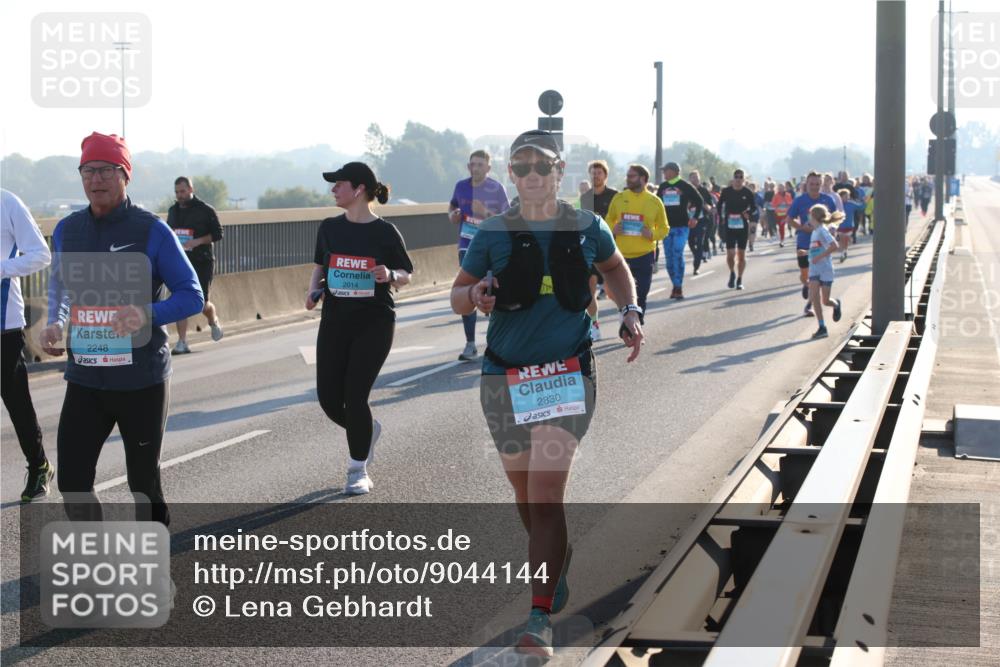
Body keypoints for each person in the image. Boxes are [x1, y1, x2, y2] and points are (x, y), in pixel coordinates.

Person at [450, 130, 644, 658]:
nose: (532, 175)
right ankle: (555, 558)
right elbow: (458, 296)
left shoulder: (588, 227)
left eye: (542, 166)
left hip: (566, 374)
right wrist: (475, 293)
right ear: (511, 174)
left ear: (560, 171)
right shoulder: (493, 232)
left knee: (545, 492)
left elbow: (614, 268)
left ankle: (539, 619)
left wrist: (630, 310)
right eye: (522, 167)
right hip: (504, 377)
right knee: (525, 494)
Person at [39, 132, 204, 526]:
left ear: (125, 175)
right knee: (73, 482)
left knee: (143, 484)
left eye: (106, 170)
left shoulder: (152, 230)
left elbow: (192, 296)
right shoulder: (67, 230)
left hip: (141, 381)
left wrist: (146, 314)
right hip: (86, 378)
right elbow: (61, 285)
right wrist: (55, 321)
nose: (96, 179)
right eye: (88, 170)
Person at [308, 162, 413, 496]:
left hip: (374, 321)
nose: (333, 190)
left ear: (359, 189)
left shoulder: (385, 232)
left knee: (355, 396)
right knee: (328, 399)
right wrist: (312, 291)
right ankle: (367, 429)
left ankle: (357, 470)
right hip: (335, 320)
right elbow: (320, 266)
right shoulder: (329, 227)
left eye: (339, 184)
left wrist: (391, 275)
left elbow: (406, 273)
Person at [2, 189, 54, 501]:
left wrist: (2, 268)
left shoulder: (7, 203)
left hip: (4, 322)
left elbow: (41, 254)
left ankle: (39, 465)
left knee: (16, 400)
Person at [448, 150, 510, 361]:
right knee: (468, 290)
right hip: (466, 245)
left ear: (488, 168)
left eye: (480, 165)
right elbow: (452, 206)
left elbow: (508, 219)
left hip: (491, 247)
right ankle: (470, 344)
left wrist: (486, 213)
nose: (475, 168)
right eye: (472, 165)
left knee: (492, 292)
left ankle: (498, 341)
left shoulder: (497, 189)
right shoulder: (460, 186)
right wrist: (453, 215)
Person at [166, 176, 224, 354]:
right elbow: (169, 233)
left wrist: (197, 241)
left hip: (202, 261)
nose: (179, 195)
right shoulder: (173, 211)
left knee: (201, 303)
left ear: (191, 190)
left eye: (183, 191)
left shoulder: (205, 210)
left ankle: (213, 320)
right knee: (180, 299)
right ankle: (182, 342)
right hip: (181, 262)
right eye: (177, 192)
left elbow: (218, 234)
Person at [606, 164, 669, 312]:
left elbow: (664, 228)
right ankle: (627, 318)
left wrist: (652, 235)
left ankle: (637, 321)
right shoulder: (619, 198)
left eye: (632, 176)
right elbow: (608, 219)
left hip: (644, 256)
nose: (628, 179)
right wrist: (613, 228)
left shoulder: (655, 201)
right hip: (621, 256)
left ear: (643, 178)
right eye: (627, 176)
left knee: (640, 295)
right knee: (623, 296)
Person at [786, 172, 839, 317]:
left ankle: (809, 305)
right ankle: (806, 284)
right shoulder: (800, 200)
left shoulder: (827, 199)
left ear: (821, 185)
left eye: (817, 184)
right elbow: (789, 219)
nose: (814, 187)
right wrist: (802, 228)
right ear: (806, 185)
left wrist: (832, 229)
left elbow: (834, 219)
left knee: (816, 278)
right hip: (804, 241)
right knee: (805, 276)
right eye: (811, 184)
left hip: (820, 245)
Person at [580, 160, 619, 339]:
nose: (595, 176)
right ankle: (594, 325)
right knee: (590, 288)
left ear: (605, 175)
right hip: (591, 248)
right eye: (593, 173)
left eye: (599, 173)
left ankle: (623, 314)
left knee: (612, 289)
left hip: (611, 248)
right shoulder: (585, 198)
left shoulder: (615, 196)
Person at [655, 161, 703, 299]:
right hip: (666, 227)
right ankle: (675, 284)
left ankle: (678, 286)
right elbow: (656, 205)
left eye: (665, 170)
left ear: (673, 171)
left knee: (677, 253)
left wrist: (695, 218)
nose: (663, 173)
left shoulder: (685, 186)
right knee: (669, 259)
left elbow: (699, 201)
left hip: (682, 226)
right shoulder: (663, 187)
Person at [805, 204, 844, 338]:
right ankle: (822, 327)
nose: (808, 217)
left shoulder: (822, 230)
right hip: (814, 269)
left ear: (814, 216)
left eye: (809, 215)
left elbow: (834, 246)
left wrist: (820, 257)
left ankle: (836, 304)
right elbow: (816, 249)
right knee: (815, 297)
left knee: (825, 301)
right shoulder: (815, 232)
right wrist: (806, 252)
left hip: (825, 269)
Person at [716, 169, 758, 290]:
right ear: (733, 178)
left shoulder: (747, 192)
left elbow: (754, 207)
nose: (738, 179)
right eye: (736, 177)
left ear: (744, 179)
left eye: (741, 177)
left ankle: (739, 279)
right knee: (730, 254)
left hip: (742, 226)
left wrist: (748, 213)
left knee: (741, 255)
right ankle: (732, 273)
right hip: (729, 226)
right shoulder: (726, 191)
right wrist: (721, 217)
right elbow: (719, 204)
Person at [688, 170, 715, 274]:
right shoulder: (687, 190)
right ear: (690, 179)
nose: (695, 179)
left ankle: (696, 267)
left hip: (702, 220)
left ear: (699, 178)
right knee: (691, 242)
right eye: (693, 177)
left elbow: (710, 205)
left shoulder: (704, 191)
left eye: (697, 177)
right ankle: (697, 255)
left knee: (700, 242)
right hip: (690, 220)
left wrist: (706, 206)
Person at [837, 189, 864, 261]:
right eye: (845, 196)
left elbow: (860, 207)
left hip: (849, 226)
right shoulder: (837, 204)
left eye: (848, 196)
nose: (847, 197)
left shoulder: (851, 204)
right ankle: (842, 253)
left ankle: (845, 251)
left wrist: (864, 201)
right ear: (840, 197)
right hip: (840, 226)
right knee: (842, 239)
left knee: (846, 240)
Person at [771, 182, 794, 247]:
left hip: (786, 214)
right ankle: (782, 239)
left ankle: (784, 238)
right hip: (779, 214)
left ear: (784, 188)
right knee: (781, 227)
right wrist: (778, 205)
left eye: (782, 188)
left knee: (784, 226)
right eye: (779, 188)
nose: (781, 189)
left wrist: (787, 204)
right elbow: (773, 204)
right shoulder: (776, 196)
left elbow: (791, 203)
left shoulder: (788, 195)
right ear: (778, 189)